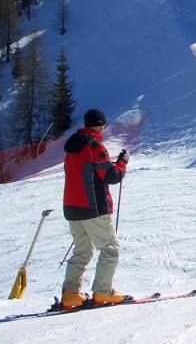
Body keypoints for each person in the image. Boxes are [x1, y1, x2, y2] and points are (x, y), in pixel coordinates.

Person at [60, 109, 128, 308]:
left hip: (71, 207)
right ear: (100, 125)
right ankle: (102, 292)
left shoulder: (73, 145)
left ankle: (70, 294)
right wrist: (122, 163)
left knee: (82, 251)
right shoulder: (95, 147)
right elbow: (111, 176)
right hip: (93, 206)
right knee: (110, 249)